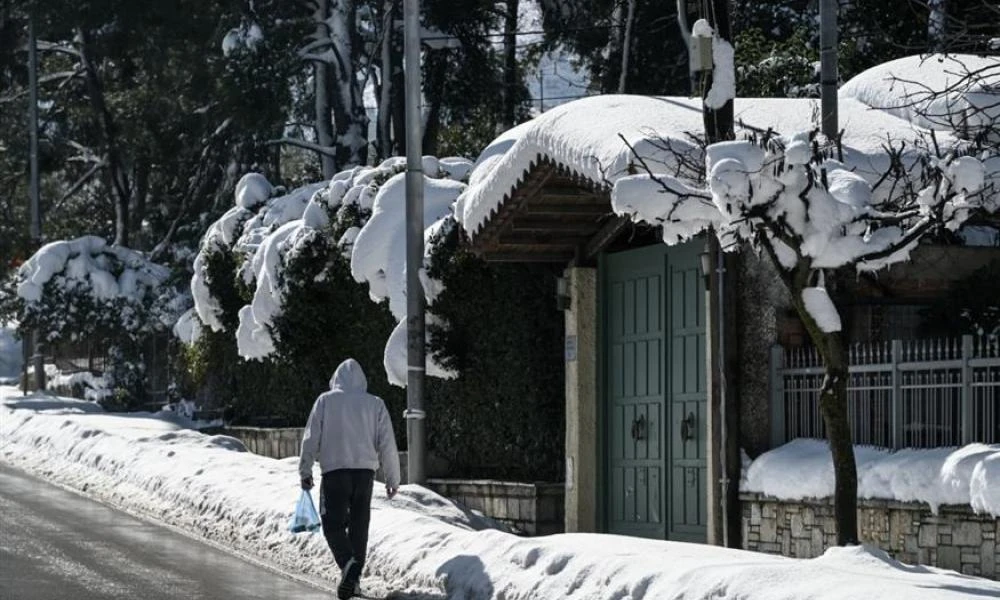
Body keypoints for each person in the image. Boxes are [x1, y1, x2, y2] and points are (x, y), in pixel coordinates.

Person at [299, 358, 400, 600]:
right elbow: (387, 443)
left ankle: (348, 564)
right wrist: (393, 478)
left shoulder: (325, 401)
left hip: (334, 473)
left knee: (332, 524)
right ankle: (353, 580)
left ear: (336, 379)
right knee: (359, 526)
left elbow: (311, 437)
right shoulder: (375, 404)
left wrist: (305, 470)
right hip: (365, 475)